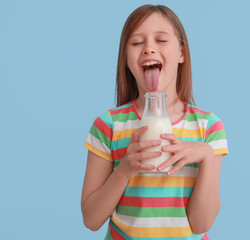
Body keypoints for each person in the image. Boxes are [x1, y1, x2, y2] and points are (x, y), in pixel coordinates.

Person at [81, 4, 229, 240]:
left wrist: (207, 156)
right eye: (137, 43)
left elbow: (201, 224)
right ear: (126, 60)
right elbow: (91, 219)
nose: (149, 49)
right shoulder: (108, 126)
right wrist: (124, 171)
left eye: (161, 40)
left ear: (181, 53)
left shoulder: (207, 127)